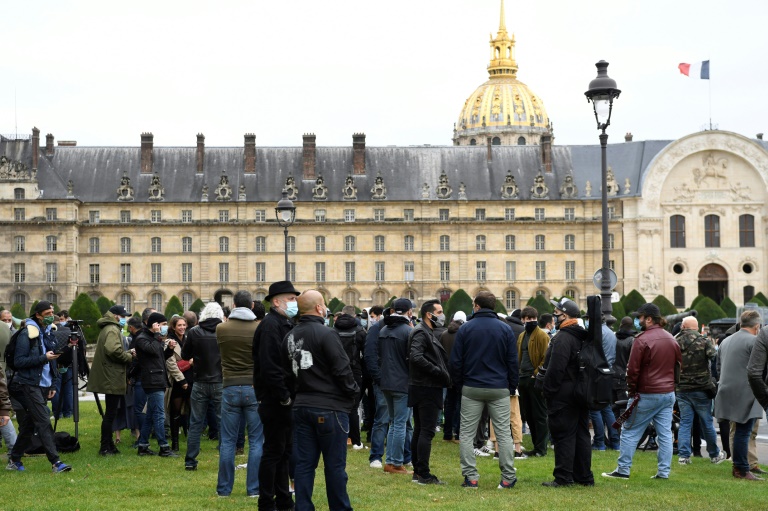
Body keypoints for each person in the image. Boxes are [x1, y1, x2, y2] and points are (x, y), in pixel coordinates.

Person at [288, 290, 358, 511]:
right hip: (329, 406)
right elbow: (342, 369)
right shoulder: (327, 334)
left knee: (304, 465)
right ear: (319, 308)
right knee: (335, 466)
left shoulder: (290, 335)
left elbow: (287, 372)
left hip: (302, 404)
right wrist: (352, 392)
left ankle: (303, 506)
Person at [603, 303, 681, 481]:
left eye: (640, 317)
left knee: (630, 431)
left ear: (649, 319)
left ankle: (623, 470)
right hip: (667, 392)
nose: (638, 321)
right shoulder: (671, 338)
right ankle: (663, 472)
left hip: (646, 392)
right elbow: (677, 366)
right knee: (665, 434)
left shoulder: (642, 339)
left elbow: (632, 371)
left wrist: (632, 391)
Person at [450, 291, 518, 489]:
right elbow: (512, 362)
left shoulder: (466, 328)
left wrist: (460, 383)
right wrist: (511, 386)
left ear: (477, 306)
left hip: (472, 386)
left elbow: (456, 362)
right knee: (504, 433)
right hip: (498, 387)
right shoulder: (505, 329)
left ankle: (471, 477)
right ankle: (507, 477)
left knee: (467, 434)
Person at [7, 301, 71, 473]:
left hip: (43, 385)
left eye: (52, 312)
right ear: (38, 315)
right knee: (43, 420)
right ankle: (56, 462)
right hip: (28, 384)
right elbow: (19, 362)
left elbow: (53, 361)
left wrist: (52, 383)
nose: (51, 315)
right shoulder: (26, 333)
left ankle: (14, 458)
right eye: (48, 313)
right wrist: (44, 357)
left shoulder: (48, 332)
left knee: (29, 424)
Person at [253, 281, 300, 511]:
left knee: (283, 451)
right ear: (276, 301)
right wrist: (284, 397)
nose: (294, 303)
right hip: (275, 399)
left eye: (295, 298)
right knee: (274, 451)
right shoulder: (272, 326)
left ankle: (283, 499)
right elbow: (270, 366)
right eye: (290, 298)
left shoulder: (283, 323)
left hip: (283, 397)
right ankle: (266, 501)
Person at [541, 298, 592, 487]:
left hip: (564, 393)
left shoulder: (563, 337)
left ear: (566, 315)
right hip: (579, 391)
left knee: (564, 435)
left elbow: (556, 369)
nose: (554, 315)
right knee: (581, 434)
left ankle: (563, 477)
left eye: (557, 312)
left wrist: (548, 391)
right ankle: (584, 476)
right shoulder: (581, 335)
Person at [217, 291, 263, 497]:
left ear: (234, 304)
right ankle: (253, 488)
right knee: (256, 440)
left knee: (227, 440)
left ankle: (224, 490)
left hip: (230, 386)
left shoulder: (221, 328)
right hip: (254, 387)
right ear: (252, 305)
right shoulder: (259, 329)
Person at [715, 310, 764, 480]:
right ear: (757, 326)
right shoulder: (756, 341)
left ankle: (739, 466)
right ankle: (742, 469)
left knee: (736, 432)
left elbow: (718, 368)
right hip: (747, 392)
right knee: (744, 432)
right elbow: (759, 370)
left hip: (726, 390)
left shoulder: (726, 341)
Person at [408, 299, 450, 484]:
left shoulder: (425, 331)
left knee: (420, 430)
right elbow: (415, 357)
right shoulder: (420, 332)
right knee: (426, 431)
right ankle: (423, 473)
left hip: (423, 386)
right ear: (429, 314)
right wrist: (437, 371)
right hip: (426, 387)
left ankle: (418, 471)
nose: (442, 315)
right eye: (439, 312)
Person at [675, 316, 726, 465]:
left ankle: (684, 456)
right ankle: (714, 455)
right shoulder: (703, 341)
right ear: (696, 328)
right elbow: (714, 357)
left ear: (683, 326)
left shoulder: (675, 341)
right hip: (701, 387)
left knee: (685, 422)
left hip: (682, 387)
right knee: (706, 422)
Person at [87, 305, 135, 456]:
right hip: (112, 376)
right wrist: (129, 356)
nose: (124, 319)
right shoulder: (112, 329)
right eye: (122, 316)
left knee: (110, 413)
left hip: (110, 374)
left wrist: (126, 352)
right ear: (115, 316)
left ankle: (108, 445)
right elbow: (113, 350)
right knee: (110, 414)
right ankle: (105, 447)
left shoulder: (109, 328)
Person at [183, 302, 224, 471]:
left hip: (200, 381)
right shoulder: (223, 331)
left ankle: (190, 460)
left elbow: (185, 355)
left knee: (196, 423)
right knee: (223, 422)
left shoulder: (194, 332)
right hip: (219, 381)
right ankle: (225, 459)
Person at [378, 298, 414, 475]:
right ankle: (396, 463)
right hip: (402, 383)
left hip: (386, 382)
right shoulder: (409, 331)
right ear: (409, 311)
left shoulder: (384, 329)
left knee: (394, 423)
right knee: (400, 424)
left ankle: (391, 461)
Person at [134, 312, 177, 457]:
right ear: (155, 325)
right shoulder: (142, 338)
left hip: (158, 379)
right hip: (152, 381)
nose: (165, 328)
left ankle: (143, 445)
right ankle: (164, 447)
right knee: (159, 414)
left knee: (151, 415)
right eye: (163, 324)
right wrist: (158, 336)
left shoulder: (153, 339)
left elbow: (160, 357)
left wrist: (169, 350)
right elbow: (152, 349)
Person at [517, 306, 549, 457]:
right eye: (528, 319)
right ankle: (536, 446)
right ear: (523, 320)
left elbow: (546, 358)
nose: (531, 321)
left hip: (534, 379)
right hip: (523, 378)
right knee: (528, 415)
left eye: (533, 318)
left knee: (539, 415)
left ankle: (541, 449)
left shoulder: (542, 336)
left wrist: (535, 374)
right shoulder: (522, 336)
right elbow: (519, 357)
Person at [333, 305, 366, 449]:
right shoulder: (360, 331)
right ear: (354, 316)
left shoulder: (332, 331)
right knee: (353, 408)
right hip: (355, 371)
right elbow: (366, 355)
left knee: (336, 405)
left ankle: (339, 438)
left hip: (335, 371)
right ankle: (356, 441)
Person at [364, 306, 390, 469]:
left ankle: (401, 456)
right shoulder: (376, 329)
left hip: (399, 382)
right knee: (382, 419)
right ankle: (376, 456)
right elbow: (370, 356)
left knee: (402, 423)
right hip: (384, 381)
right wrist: (379, 379)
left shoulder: (407, 328)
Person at [590, 320, 620, 451]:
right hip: (608, 372)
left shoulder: (597, 332)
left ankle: (599, 442)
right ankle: (615, 442)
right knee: (607, 409)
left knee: (595, 409)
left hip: (596, 373)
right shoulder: (610, 332)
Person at [166, 315, 191, 452]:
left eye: (183, 325)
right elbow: (171, 364)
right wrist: (182, 380)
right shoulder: (170, 342)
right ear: (174, 327)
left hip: (190, 379)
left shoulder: (187, 339)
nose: (182, 327)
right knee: (175, 413)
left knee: (189, 412)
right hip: (177, 382)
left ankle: (191, 440)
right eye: (179, 325)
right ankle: (175, 443)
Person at [440, 311, 466, 443]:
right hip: (460, 373)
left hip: (447, 373)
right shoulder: (463, 334)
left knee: (449, 404)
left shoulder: (444, 334)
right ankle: (458, 434)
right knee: (460, 404)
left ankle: (447, 433)